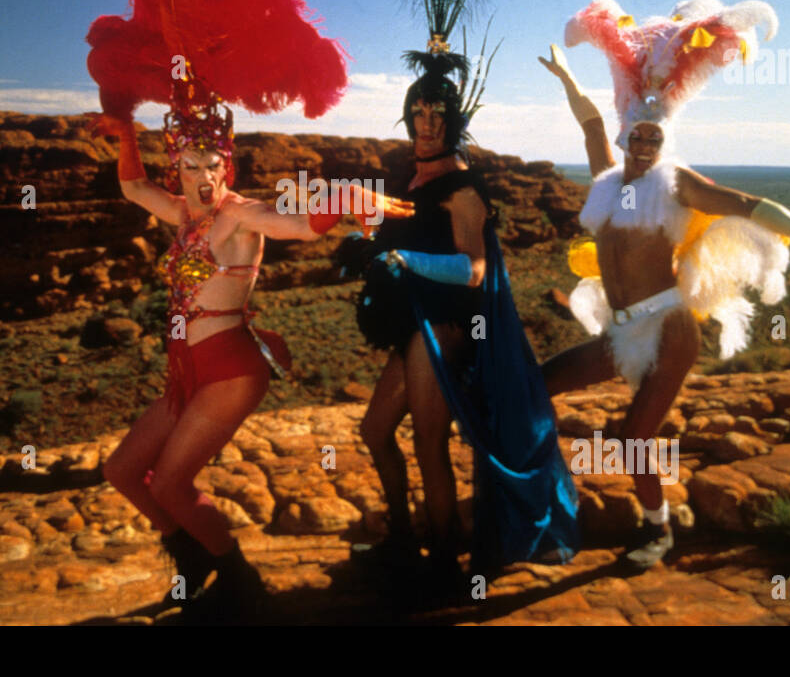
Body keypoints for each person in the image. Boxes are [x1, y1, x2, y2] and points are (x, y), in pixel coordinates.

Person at [538, 0, 790, 568]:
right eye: (638, 134)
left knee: (631, 436)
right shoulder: (605, 178)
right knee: (536, 386)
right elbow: (591, 119)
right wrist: (567, 76)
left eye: (655, 134)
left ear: (664, 137)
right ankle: (540, 504)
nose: (645, 141)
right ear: (627, 136)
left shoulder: (675, 184)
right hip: (621, 327)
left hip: (670, 329)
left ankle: (657, 532)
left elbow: (751, 204)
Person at [99, 99, 411, 617]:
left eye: (213, 164)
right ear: (176, 169)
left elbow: (297, 226)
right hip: (189, 372)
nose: (203, 176)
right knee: (125, 471)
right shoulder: (180, 212)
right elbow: (132, 187)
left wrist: (342, 199)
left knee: (172, 483)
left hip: (230, 369)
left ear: (228, 165)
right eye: (190, 166)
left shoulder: (238, 214)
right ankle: (195, 558)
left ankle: (240, 583)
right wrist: (125, 132)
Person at [339, 52, 581, 595]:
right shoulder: (417, 177)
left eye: (437, 114)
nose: (426, 123)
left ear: (453, 122)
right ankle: (403, 537)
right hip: (413, 324)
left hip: (446, 328)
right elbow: (412, 235)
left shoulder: (463, 187)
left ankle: (444, 560)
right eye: (418, 111)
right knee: (375, 431)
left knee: (429, 441)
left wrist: (406, 263)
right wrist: (366, 245)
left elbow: (474, 271)